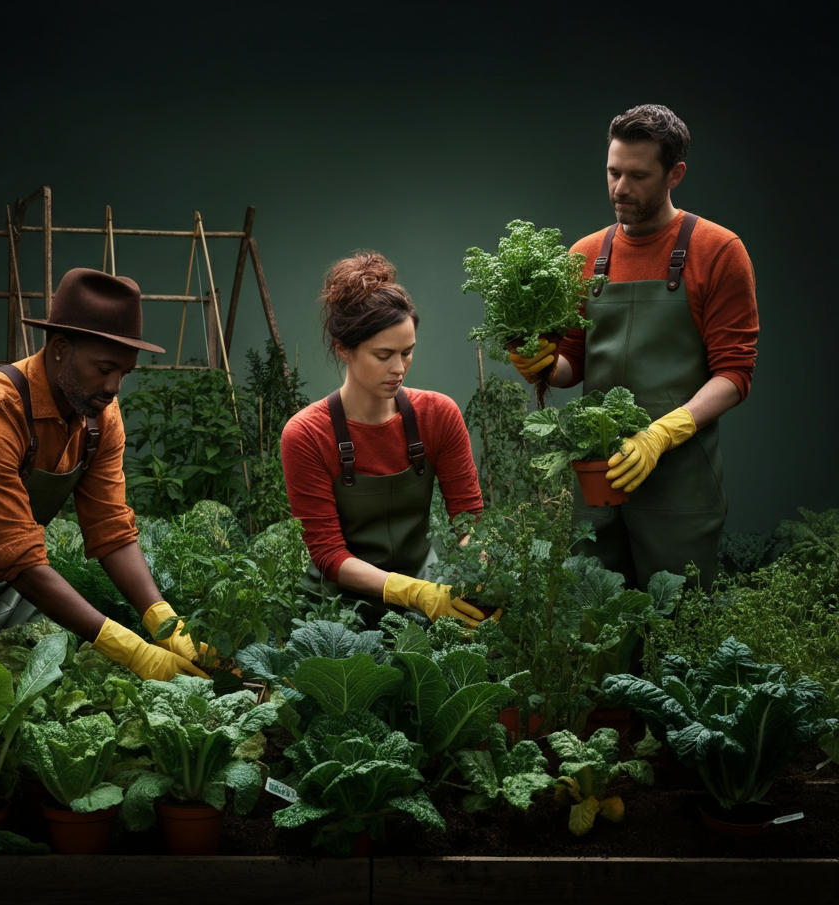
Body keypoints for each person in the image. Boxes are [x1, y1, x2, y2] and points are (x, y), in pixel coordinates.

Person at [0, 267, 207, 680]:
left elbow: (110, 530)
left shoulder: (99, 417)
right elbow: (17, 555)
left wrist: (165, 625)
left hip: (9, 586)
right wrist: (131, 650)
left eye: (125, 372)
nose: (114, 387)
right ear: (58, 347)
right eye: (104, 368)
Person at [512, 104, 758, 589]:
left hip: (680, 481)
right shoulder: (583, 256)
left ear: (675, 174)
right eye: (612, 171)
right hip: (595, 477)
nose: (620, 188)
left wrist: (661, 434)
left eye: (638, 176)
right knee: (593, 624)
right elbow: (573, 365)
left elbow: (735, 374)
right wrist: (542, 366)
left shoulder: (720, 251)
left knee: (677, 633)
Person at [281, 252, 486, 624]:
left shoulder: (438, 415)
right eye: (383, 355)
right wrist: (412, 592)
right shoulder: (307, 434)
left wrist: (483, 576)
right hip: (338, 612)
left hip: (429, 599)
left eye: (407, 353)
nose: (399, 369)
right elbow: (328, 554)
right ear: (344, 349)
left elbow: (468, 522)